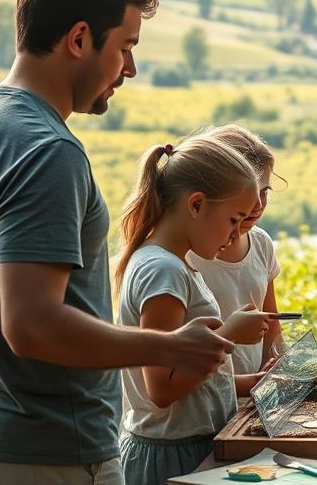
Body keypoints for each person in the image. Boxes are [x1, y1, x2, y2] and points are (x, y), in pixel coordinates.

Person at [0, 0, 234, 485]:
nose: (130, 68)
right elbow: (31, 325)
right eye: (125, 46)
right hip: (53, 448)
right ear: (78, 39)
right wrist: (170, 347)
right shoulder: (47, 149)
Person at [116, 136, 276, 484]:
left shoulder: (174, 265)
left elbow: (186, 379)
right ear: (197, 204)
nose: (236, 235)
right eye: (234, 219)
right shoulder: (163, 272)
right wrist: (229, 334)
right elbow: (162, 390)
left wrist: (248, 383)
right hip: (171, 456)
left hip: (190, 446)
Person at [189, 125, 284, 381]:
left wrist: (275, 367)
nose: (259, 204)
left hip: (246, 402)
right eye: (250, 193)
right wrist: (248, 385)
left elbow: (271, 323)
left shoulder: (261, 243)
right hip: (205, 403)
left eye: (265, 192)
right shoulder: (187, 253)